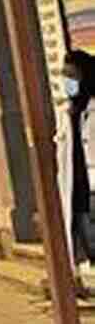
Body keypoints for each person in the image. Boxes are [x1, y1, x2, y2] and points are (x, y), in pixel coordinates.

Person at [58, 48, 95, 285]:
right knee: (88, 245)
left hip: (92, 188)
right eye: (64, 75)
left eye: (70, 75)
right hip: (77, 191)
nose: (66, 80)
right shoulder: (67, 112)